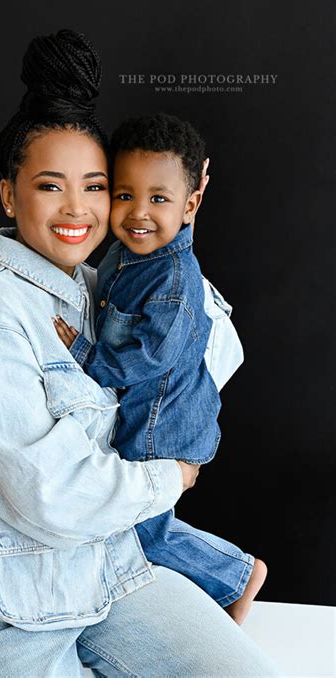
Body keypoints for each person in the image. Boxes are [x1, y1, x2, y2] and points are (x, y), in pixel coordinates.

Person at [0, 28, 280, 676]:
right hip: (8, 614)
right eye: (51, 186)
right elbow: (48, 494)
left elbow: (216, 346)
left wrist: (176, 221)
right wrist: (170, 478)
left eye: (97, 186)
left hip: (104, 573)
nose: (77, 208)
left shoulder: (94, 283)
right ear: (8, 192)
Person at [53, 113, 268, 625]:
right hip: (144, 411)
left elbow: (151, 357)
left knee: (140, 528)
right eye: (125, 196)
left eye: (159, 199)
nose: (138, 214)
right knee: (134, 522)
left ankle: (237, 575)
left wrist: (86, 354)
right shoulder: (128, 254)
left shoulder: (172, 279)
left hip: (162, 422)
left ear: (190, 204)